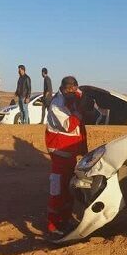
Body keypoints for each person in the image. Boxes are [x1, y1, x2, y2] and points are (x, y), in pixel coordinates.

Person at [44, 76, 87, 239]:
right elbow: (69, 125)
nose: (73, 92)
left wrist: (83, 97)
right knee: (57, 191)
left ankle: (66, 220)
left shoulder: (73, 97)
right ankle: (53, 226)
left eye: (74, 89)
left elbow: (82, 95)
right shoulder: (57, 105)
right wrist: (78, 112)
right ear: (63, 88)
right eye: (70, 89)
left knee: (69, 190)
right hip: (59, 154)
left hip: (70, 154)